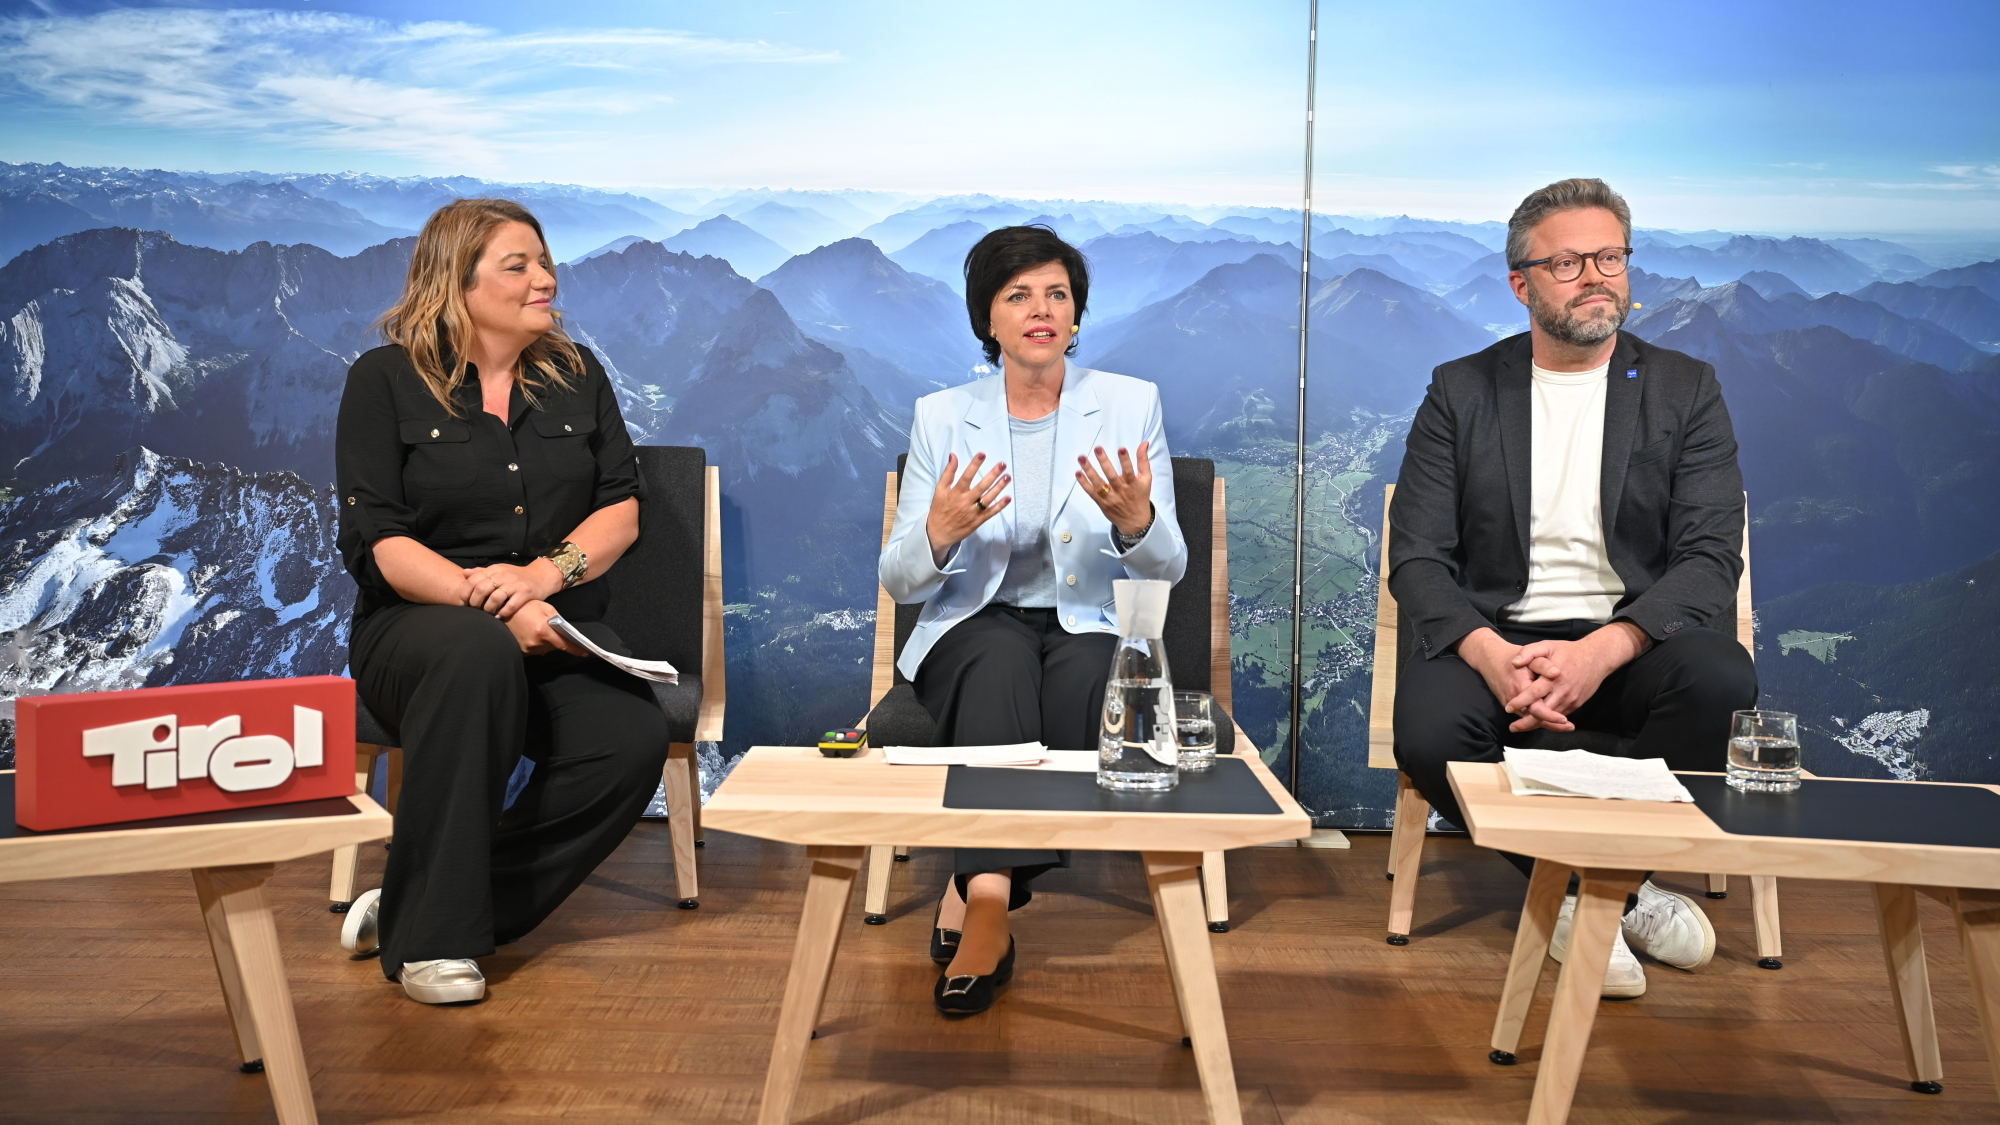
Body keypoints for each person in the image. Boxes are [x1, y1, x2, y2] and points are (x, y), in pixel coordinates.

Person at [1387, 178, 1758, 999]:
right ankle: (1601, 887)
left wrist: (1604, 649)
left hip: (1629, 640)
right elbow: (1415, 557)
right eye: (1568, 262)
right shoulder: (1461, 390)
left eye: (1610, 257)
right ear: (1521, 283)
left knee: (1723, 680)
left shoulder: (1685, 389)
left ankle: (1596, 887)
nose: (1597, 276)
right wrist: (1489, 654)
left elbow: (1707, 560)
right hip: (1498, 633)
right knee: (1427, 726)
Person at [333, 198, 670, 1004]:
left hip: (549, 621)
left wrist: (542, 580)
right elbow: (378, 541)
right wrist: (489, 602)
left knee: (629, 736)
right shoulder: (382, 382)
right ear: (456, 282)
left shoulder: (578, 374)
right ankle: (434, 943)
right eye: (517, 266)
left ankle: (426, 897)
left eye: (544, 261)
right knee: (475, 651)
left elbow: (622, 508)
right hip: (416, 635)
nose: (545, 279)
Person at [878, 225, 1186, 1015]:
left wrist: (1135, 524)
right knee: (998, 663)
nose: (1040, 310)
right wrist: (939, 530)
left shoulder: (1130, 403)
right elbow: (898, 577)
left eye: (1057, 294)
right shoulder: (942, 417)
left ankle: (971, 881)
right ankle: (987, 906)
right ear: (989, 320)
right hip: (972, 621)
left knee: (1089, 675)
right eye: (1018, 295)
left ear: (1077, 316)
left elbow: (1169, 565)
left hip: (1086, 620)